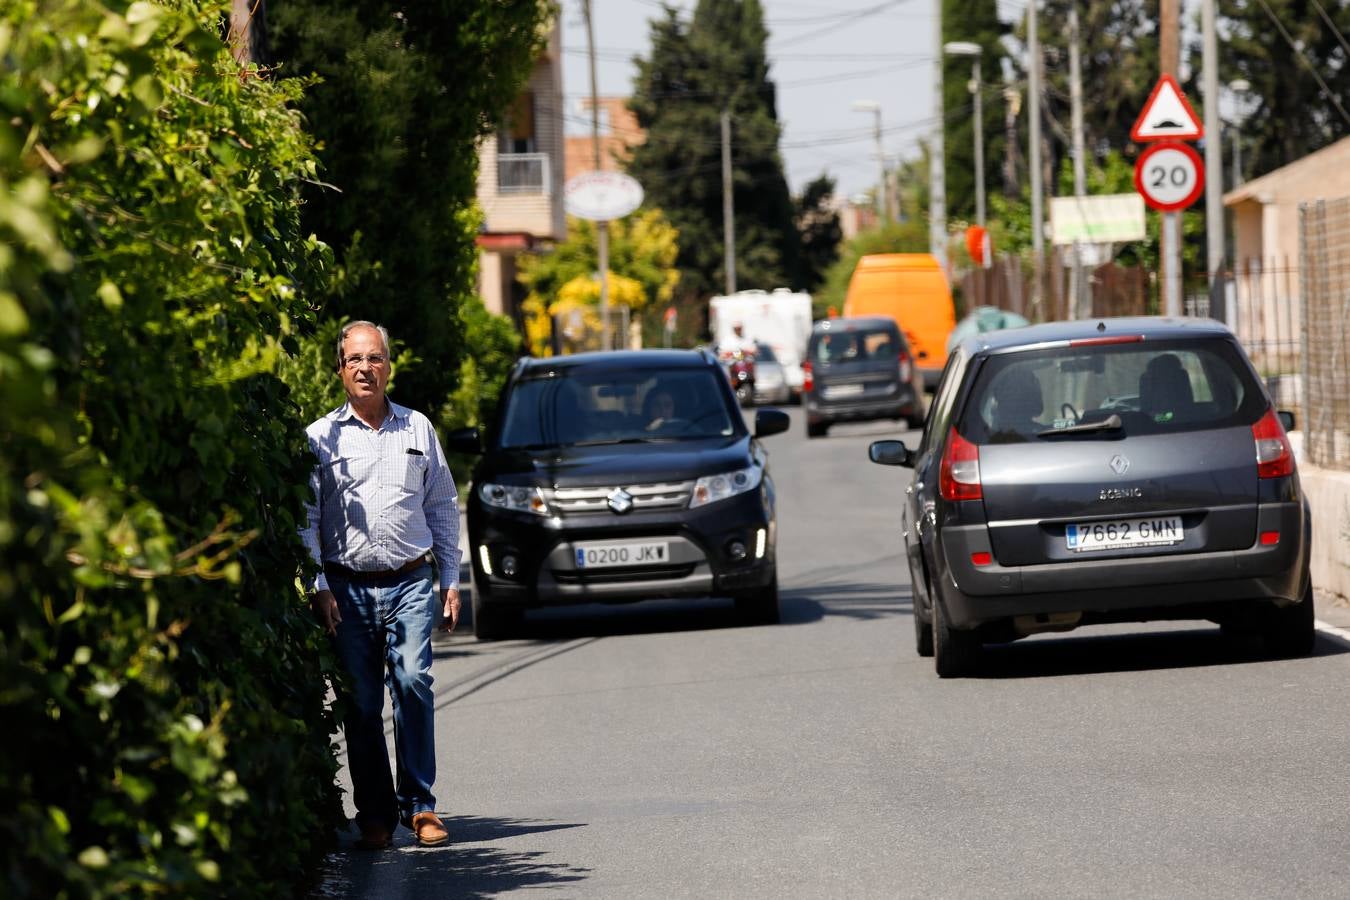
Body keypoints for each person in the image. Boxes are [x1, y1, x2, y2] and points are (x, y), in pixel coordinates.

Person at [299, 320, 461, 851]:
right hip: (346, 588)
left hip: (411, 579)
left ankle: (421, 806)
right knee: (362, 704)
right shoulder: (320, 437)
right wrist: (318, 583)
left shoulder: (418, 428)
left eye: (375, 359)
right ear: (340, 370)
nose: (365, 368)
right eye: (355, 361)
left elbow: (441, 504)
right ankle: (375, 814)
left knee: (414, 682)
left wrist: (450, 579)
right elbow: (307, 519)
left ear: (389, 365)